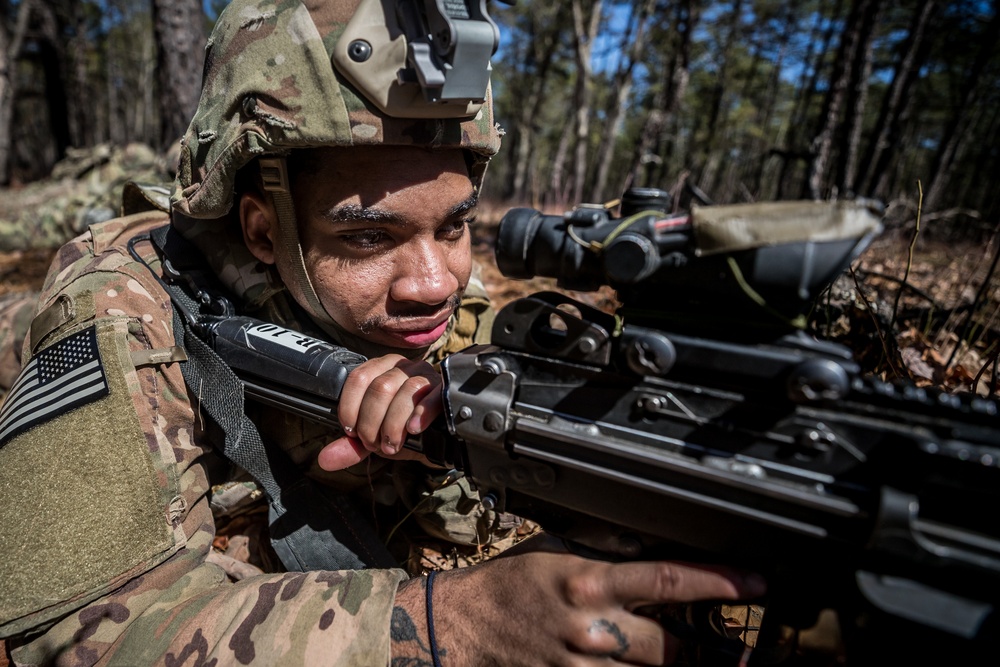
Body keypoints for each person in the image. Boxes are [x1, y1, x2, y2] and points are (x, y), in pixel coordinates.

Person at [0, 1, 764, 665]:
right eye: (369, 238)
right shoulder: (120, 306)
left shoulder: (445, 296)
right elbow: (90, 635)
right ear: (262, 230)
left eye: (457, 223)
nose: (434, 281)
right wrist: (445, 626)